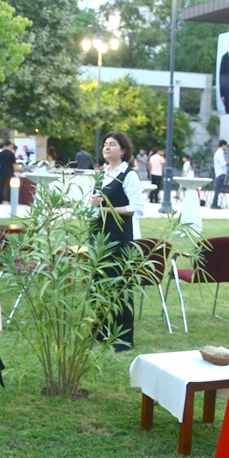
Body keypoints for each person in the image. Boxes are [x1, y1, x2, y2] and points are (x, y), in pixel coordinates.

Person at [92, 131, 144, 352]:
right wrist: (93, 204)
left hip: (119, 236)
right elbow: (94, 208)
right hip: (98, 236)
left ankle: (121, 337)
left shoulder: (129, 175)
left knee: (120, 285)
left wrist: (107, 209)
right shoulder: (101, 174)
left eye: (112, 144)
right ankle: (99, 333)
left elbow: (136, 208)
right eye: (105, 144)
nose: (107, 147)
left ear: (123, 150)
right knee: (99, 283)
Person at [211, 140, 229, 209]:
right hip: (220, 173)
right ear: (223, 145)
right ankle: (214, 204)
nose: (226, 147)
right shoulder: (220, 153)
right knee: (218, 189)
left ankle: (215, 203)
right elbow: (223, 164)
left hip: (219, 173)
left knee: (218, 189)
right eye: (225, 145)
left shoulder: (218, 153)